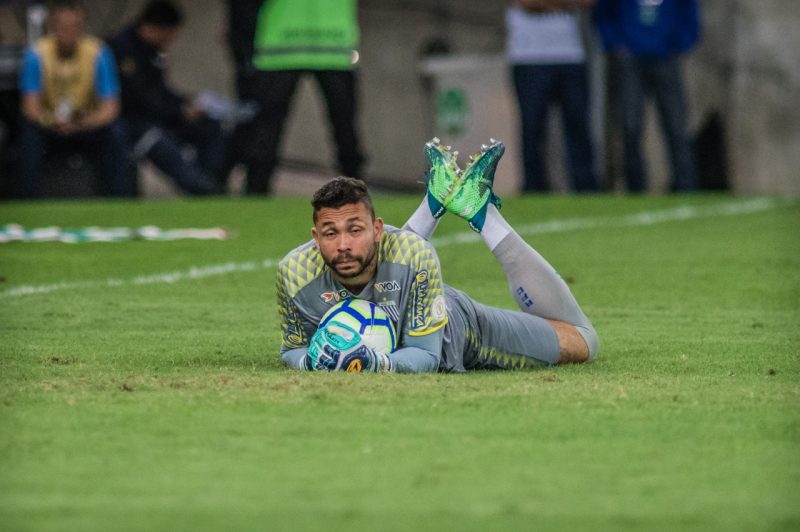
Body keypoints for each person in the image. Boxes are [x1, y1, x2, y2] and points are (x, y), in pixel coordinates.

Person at [277, 139, 599, 373]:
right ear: (315, 238)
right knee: (395, 263)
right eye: (331, 233)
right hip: (400, 302)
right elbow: (293, 348)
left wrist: (374, 363)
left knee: (583, 343)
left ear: (378, 228)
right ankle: (435, 200)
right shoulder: (294, 272)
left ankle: (484, 214)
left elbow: (425, 356)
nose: (343, 244)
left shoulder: (415, 255)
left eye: (355, 230)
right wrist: (311, 360)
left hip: (455, 330)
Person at [236, 0, 365, 194]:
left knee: (267, 127)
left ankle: (256, 191)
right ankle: (356, 193)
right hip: (334, 43)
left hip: (281, 43)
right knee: (344, 126)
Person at [109, 0, 226, 195]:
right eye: (170, 34)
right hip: (133, 122)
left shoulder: (153, 51)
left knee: (211, 126)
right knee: (162, 145)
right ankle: (199, 188)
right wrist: (179, 111)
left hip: (161, 116)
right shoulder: (120, 50)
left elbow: (161, 91)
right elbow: (137, 99)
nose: (171, 40)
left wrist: (186, 103)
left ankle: (210, 183)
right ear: (154, 28)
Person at [16, 0, 131, 198]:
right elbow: (30, 107)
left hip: (86, 124)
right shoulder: (36, 54)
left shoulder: (98, 52)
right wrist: (51, 121)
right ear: (53, 28)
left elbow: (110, 108)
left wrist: (82, 123)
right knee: (28, 136)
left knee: (117, 132)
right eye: (63, 28)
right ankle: (26, 200)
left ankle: (118, 199)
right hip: (50, 125)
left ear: (82, 27)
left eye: (74, 27)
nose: (69, 33)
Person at [594, 0, 700, 192]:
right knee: (630, 126)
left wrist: (681, 43)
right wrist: (616, 44)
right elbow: (603, 14)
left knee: (676, 124)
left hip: (666, 57)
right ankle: (635, 187)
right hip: (630, 59)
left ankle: (685, 185)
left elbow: (689, 12)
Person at [507, 0, 599, 193]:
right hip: (528, 56)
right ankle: (535, 188)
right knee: (532, 128)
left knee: (578, 125)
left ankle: (586, 187)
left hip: (570, 56)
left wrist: (546, 5)